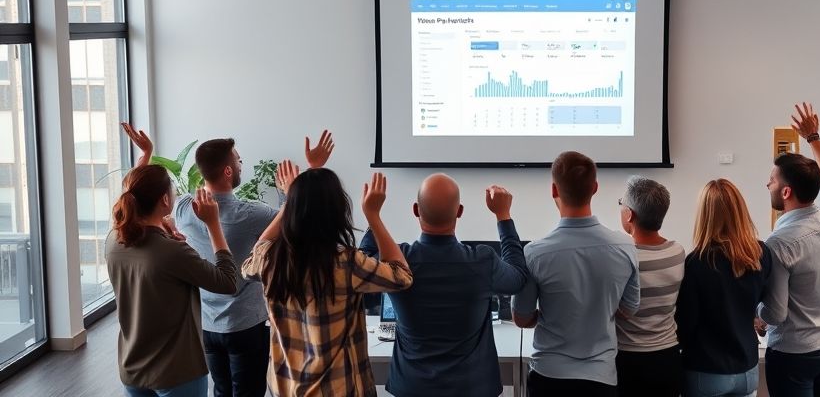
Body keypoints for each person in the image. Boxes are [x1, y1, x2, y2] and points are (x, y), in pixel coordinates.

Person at [167, 129, 333, 397]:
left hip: (207, 326)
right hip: (246, 326)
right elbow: (289, 223)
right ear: (228, 172)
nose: (241, 164)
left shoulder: (185, 209)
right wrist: (293, 186)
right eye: (239, 161)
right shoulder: (251, 215)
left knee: (221, 391)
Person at [241, 164, 412, 396]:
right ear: (336, 212)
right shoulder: (347, 263)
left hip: (286, 388)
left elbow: (259, 246)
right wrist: (373, 216)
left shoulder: (270, 260)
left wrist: (290, 199)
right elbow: (401, 276)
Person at [358, 174, 529, 397]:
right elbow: (518, 277)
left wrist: (374, 217)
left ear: (416, 210)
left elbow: (363, 261)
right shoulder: (483, 261)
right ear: (459, 211)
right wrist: (503, 216)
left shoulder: (398, 264)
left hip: (412, 388)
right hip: (472, 388)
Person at [512, 151, 640, 397]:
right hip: (601, 379)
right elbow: (629, 309)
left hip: (549, 376)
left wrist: (553, 312)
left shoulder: (534, 253)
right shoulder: (625, 247)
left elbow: (521, 318)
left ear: (553, 190)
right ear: (595, 188)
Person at [106, 159, 237, 396]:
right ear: (165, 200)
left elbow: (136, 197)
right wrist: (213, 224)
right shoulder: (172, 252)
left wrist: (145, 155)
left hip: (132, 368)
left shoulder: (114, 240)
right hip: (176, 372)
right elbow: (227, 281)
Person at [758, 103, 820, 397]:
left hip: (795, 354)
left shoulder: (779, 244)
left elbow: (775, 313)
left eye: (772, 180)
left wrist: (756, 315)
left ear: (786, 192)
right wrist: (813, 137)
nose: (767, 184)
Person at [677, 179, 772, 397]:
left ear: (704, 215)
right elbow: (761, 301)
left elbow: (686, 325)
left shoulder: (696, 262)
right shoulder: (760, 253)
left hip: (706, 371)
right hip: (747, 368)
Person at [614, 176, 684, 397]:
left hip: (627, 358)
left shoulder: (623, 257)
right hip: (668, 357)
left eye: (621, 204)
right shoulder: (677, 252)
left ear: (630, 215)